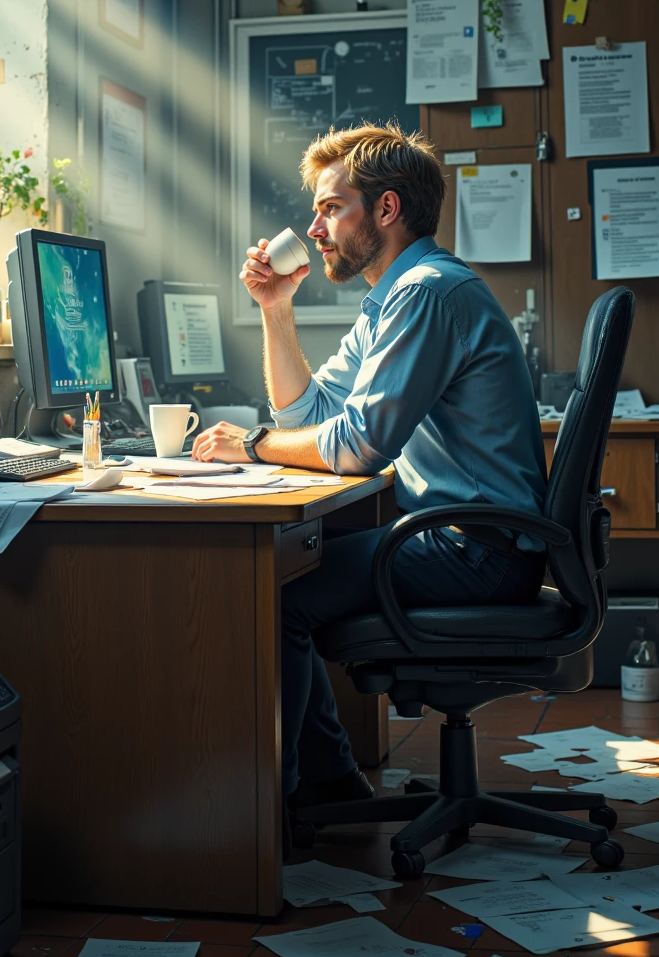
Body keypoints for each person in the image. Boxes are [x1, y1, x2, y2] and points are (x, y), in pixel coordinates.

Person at [191, 122, 547, 842]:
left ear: (385, 211)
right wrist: (276, 310)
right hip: (464, 538)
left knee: (274, 589)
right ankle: (328, 780)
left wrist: (253, 447)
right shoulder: (395, 297)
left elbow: (355, 447)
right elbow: (311, 411)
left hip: (475, 551)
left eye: (331, 208)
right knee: (291, 574)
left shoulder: (427, 295)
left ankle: (282, 813)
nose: (314, 228)